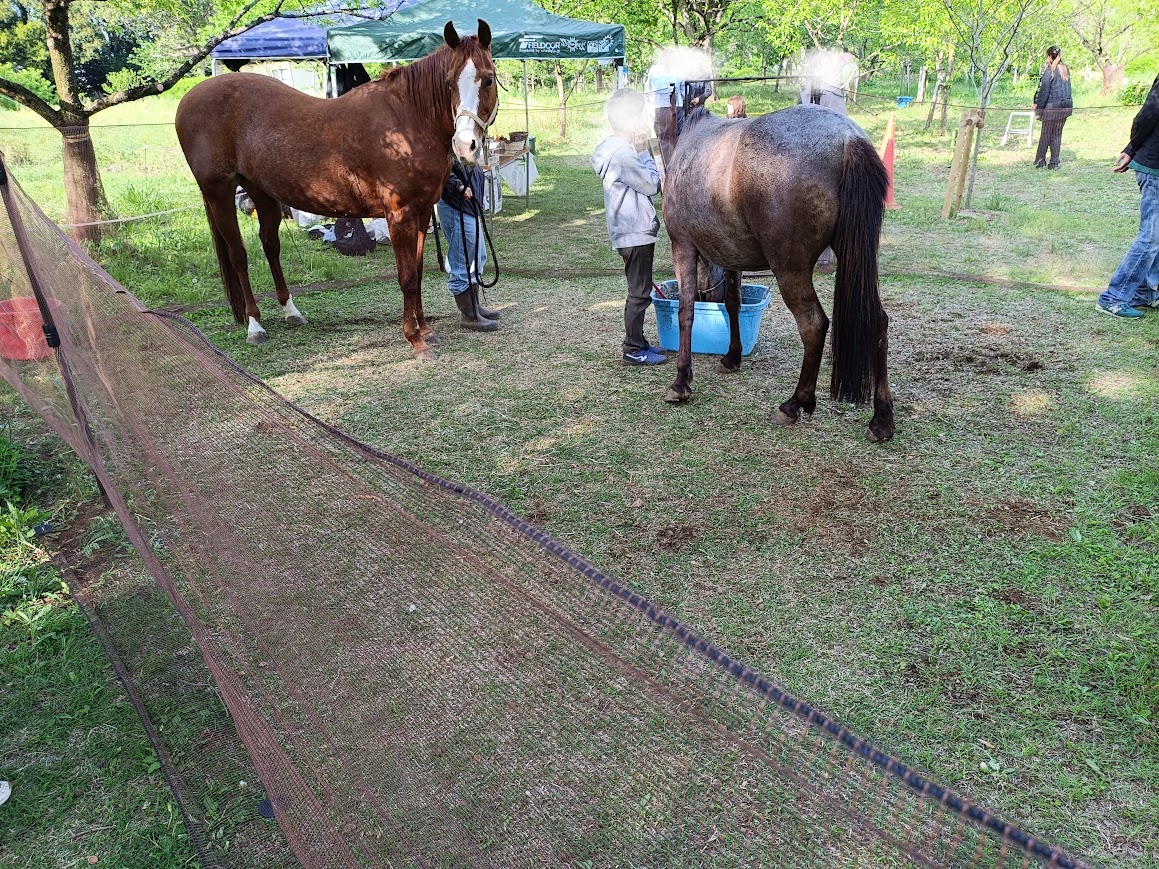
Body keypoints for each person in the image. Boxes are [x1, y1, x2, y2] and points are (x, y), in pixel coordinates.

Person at [592, 88, 666, 366]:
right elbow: (651, 184)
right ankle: (633, 348)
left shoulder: (613, 150)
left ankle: (639, 341)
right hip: (634, 232)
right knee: (639, 293)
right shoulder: (624, 154)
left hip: (630, 231)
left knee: (641, 289)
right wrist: (645, 151)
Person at [1095, 72, 1159, 318]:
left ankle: (1146, 293)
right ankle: (1114, 297)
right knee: (1150, 238)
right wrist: (1131, 148)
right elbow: (1148, 114)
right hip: (1154, 168)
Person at [437, 161, 500, 331]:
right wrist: (457, 185)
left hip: (468, 206)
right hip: (456, 204)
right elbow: (440, 164)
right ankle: (469, 315)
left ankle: (474, 306)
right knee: (463, 260)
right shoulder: (449, 137)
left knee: (477, 256)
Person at [1032, 46, 1073, 170]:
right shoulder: (1065, 70)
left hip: (1052, 108)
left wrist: (1039, 110)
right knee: (1056, 134)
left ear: (1049, 56)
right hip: (1065, 107)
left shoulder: (1050, 71)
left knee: (1046, 135)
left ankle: (1040, 161)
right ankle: (1054, 163)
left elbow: (1043, 92)